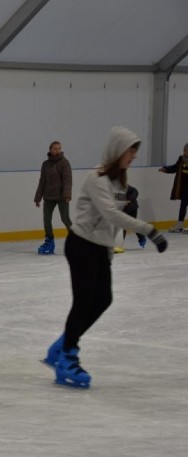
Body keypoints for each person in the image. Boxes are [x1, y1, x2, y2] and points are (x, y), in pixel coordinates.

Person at [42, 127, 167, 389]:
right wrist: (149, 230)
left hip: (99, 248)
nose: (133, 157)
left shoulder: (120, 181)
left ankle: (63, 345)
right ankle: (67, 356)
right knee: (84, 300)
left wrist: (109, 252)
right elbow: (111, 215)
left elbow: (111, 224)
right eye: (130, 152)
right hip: (81, 245)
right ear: (117, 151)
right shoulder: (96, 178)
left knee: (104, 299)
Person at [34, 141, 73, 254]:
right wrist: (38, 198)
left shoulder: (64, 163)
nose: (57, 150)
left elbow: (67, 180)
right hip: (49, 196)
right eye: (55, 148)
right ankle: (49, 241)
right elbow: (42, 181)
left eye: (59, 148)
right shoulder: (45, 164)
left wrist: (67, 194)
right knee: (46, 219)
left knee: (65, 218)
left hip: (62, 197)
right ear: (50, 150)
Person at [158, 143, 188, 233]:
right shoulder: (181, 159)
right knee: (183, 205)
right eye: (185, 150)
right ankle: (180, 224)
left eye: (187, 151)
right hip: (184, 187)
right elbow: (175, 168)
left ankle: (180, 224)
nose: (185, 152)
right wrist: (166, 169)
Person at [113, 185, 146, 253]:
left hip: (131, 207)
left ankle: (141, 236)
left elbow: (135, 191)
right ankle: (118, 244)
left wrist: (129, 200)